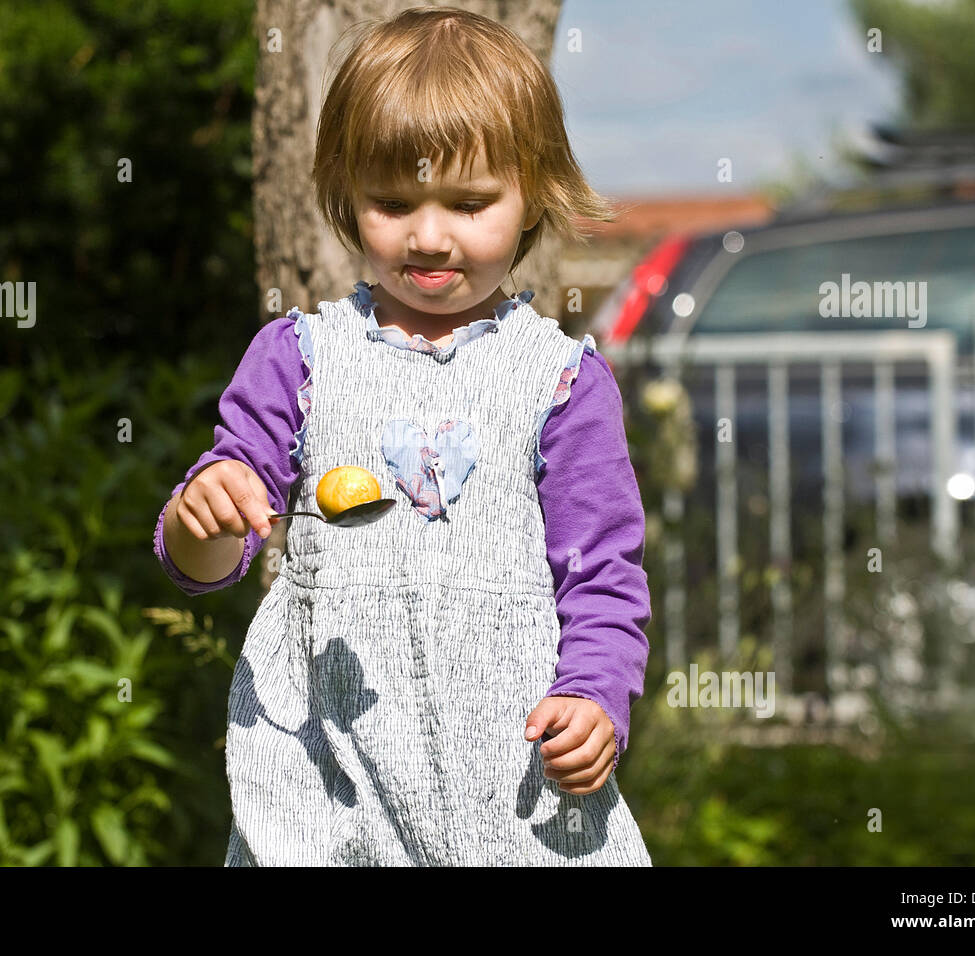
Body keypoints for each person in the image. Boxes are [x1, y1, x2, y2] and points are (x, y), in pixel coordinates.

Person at [153, 5, 653, 866]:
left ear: (532, 194)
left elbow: (602, 573)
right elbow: (206, 561)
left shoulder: (562, 382)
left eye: (468, 203)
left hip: (514, 790)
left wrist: (596, 698)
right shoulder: (298, 358)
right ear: (347, 197)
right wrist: (204, 518)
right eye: (392, 202)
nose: (428, 236)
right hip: (329, 787)